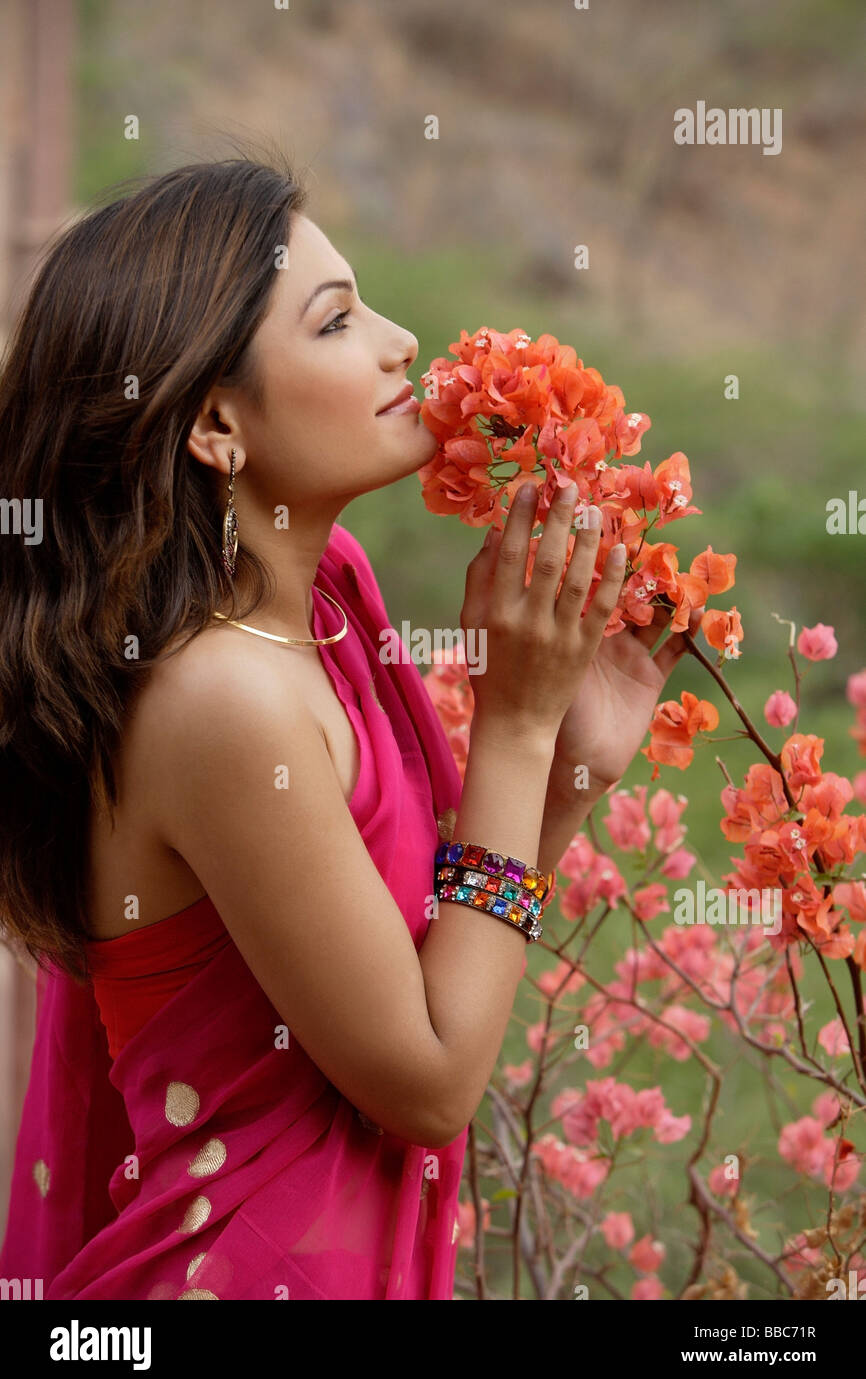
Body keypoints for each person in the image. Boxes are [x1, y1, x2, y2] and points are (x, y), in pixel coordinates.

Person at [0, 152, 701, 1300]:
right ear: (217, 426)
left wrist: (568, 767)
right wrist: (513, 728)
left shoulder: (326, 606)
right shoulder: (217, 698)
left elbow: (427, 971)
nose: (399, 343)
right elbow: (427, 1079)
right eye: (334, 323)